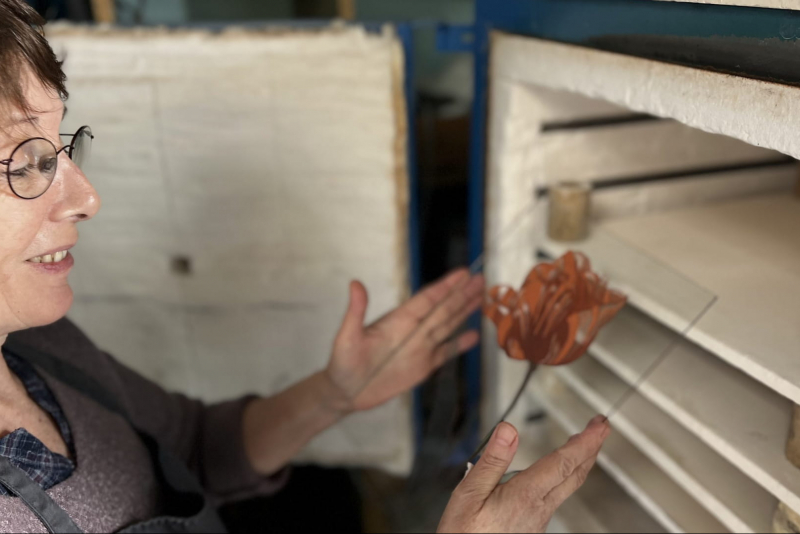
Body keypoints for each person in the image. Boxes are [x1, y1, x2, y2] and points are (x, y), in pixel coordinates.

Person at [0, 1, 610, 532]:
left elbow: (190, 446)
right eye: (25, 163)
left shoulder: (45, 349)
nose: (87, 197)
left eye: (60, 149)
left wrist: (333, 395)